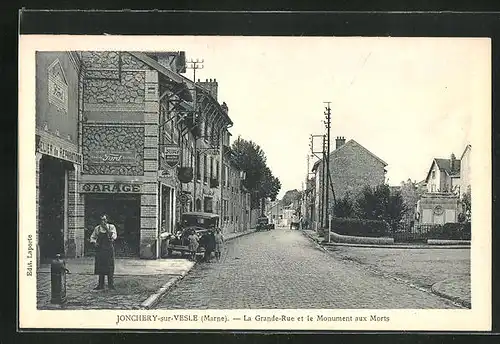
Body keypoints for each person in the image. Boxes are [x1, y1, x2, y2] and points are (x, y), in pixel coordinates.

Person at [90, 214, 117, 290]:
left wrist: (107, 229)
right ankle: (100, 285)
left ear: (107, 220)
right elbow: (92, 237)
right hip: (100, 250)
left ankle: (110, 285)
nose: (103, 222)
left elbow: (113, 237)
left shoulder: (111, 227)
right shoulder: (97, 228)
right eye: (102, 220)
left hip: (109, 250)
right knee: (100, 266)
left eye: (104, 220)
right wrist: (94, 242)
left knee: (110, 267)